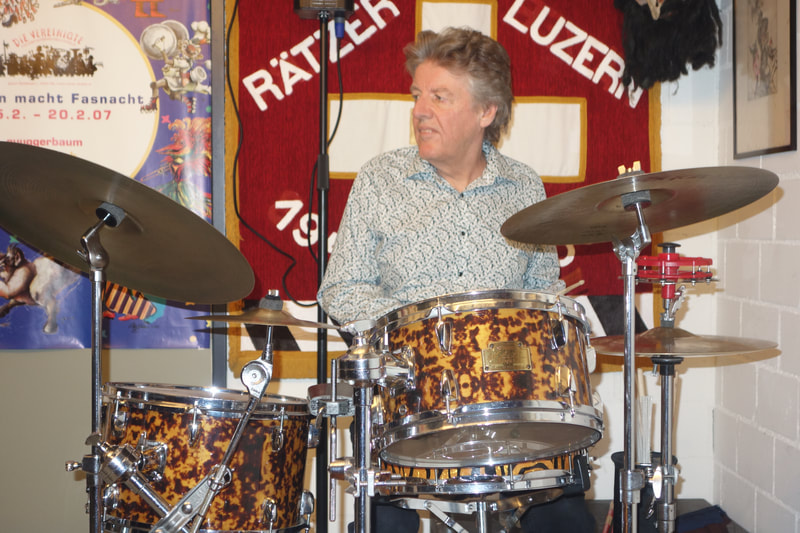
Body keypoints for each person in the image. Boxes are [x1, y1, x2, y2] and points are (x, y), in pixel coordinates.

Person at [318, 27, 594, 532]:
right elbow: (341, 288)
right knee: (383, 523)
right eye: (416, 95)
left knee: (566, 512)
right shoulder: (380, 180)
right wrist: (413, 335)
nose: (419, 111)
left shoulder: (523, 186)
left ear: (486, 111)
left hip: (511, 399)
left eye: (439, 97)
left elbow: (544, 290)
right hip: (405, 401)